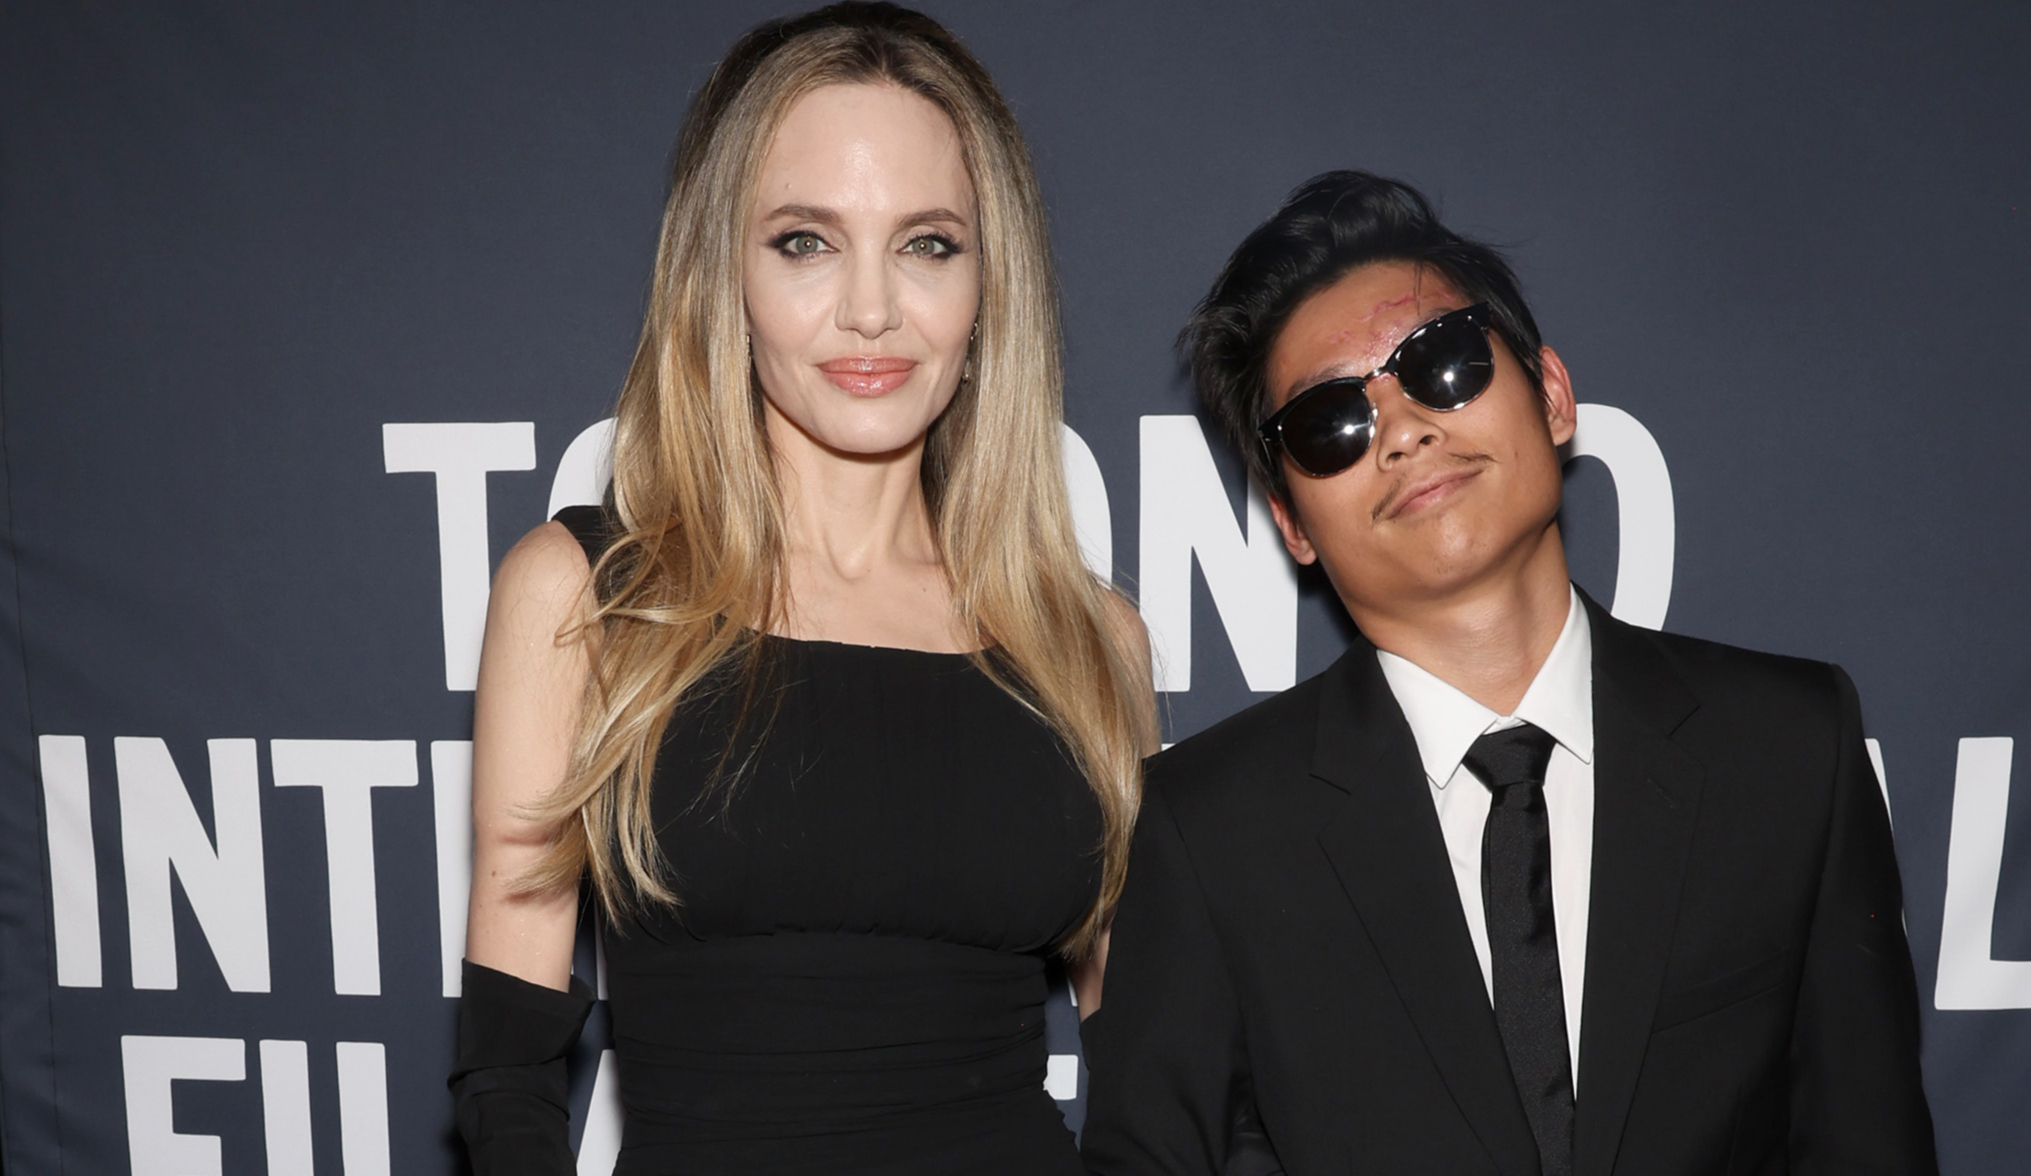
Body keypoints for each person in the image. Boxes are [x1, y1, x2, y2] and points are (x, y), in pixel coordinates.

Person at [1080, 171, 1938, 1176]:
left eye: (1441, 362)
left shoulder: (1788, 748)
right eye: (1329, 422)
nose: (1403, 429)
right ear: (1291, 525)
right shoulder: (1207, 830)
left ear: (1554, 395)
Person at [446, 6, 1157, 1173]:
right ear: (720, 276)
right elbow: (508, 1066)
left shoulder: (1087, 641)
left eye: (928, 244)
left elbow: (1150, 1063)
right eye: (805, 241)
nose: (871, 308)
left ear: (991, 289)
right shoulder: (587, 599)